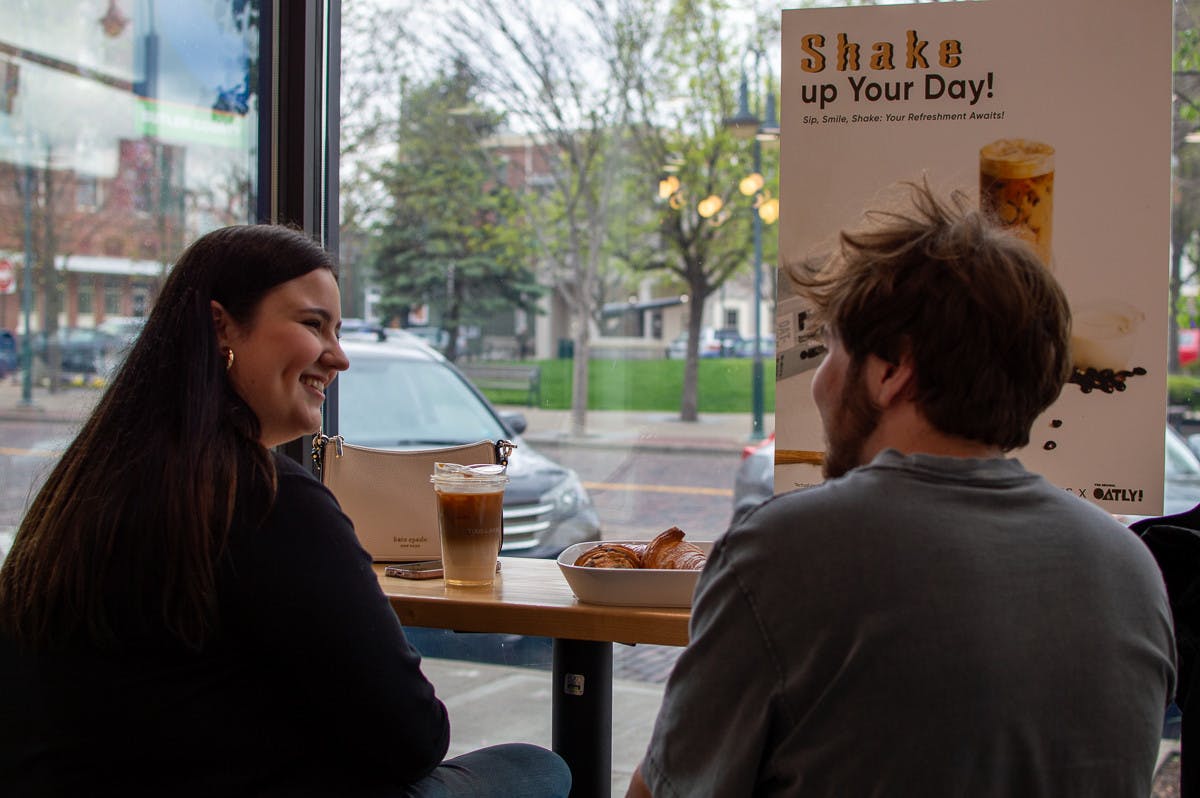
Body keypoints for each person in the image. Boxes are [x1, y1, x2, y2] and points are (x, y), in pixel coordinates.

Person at [627, 182, 1176, 797]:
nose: (818, 385)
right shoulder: (1130, 568)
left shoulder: (784, 552)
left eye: (831, 349)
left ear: (892, 371)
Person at [0, 225, 571, 798]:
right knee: (538, 768)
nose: (340, 358)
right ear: (221, 325)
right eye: (312, 324)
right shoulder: (266, 499)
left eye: (338, 331)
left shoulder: (84, 487)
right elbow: (413, 737)